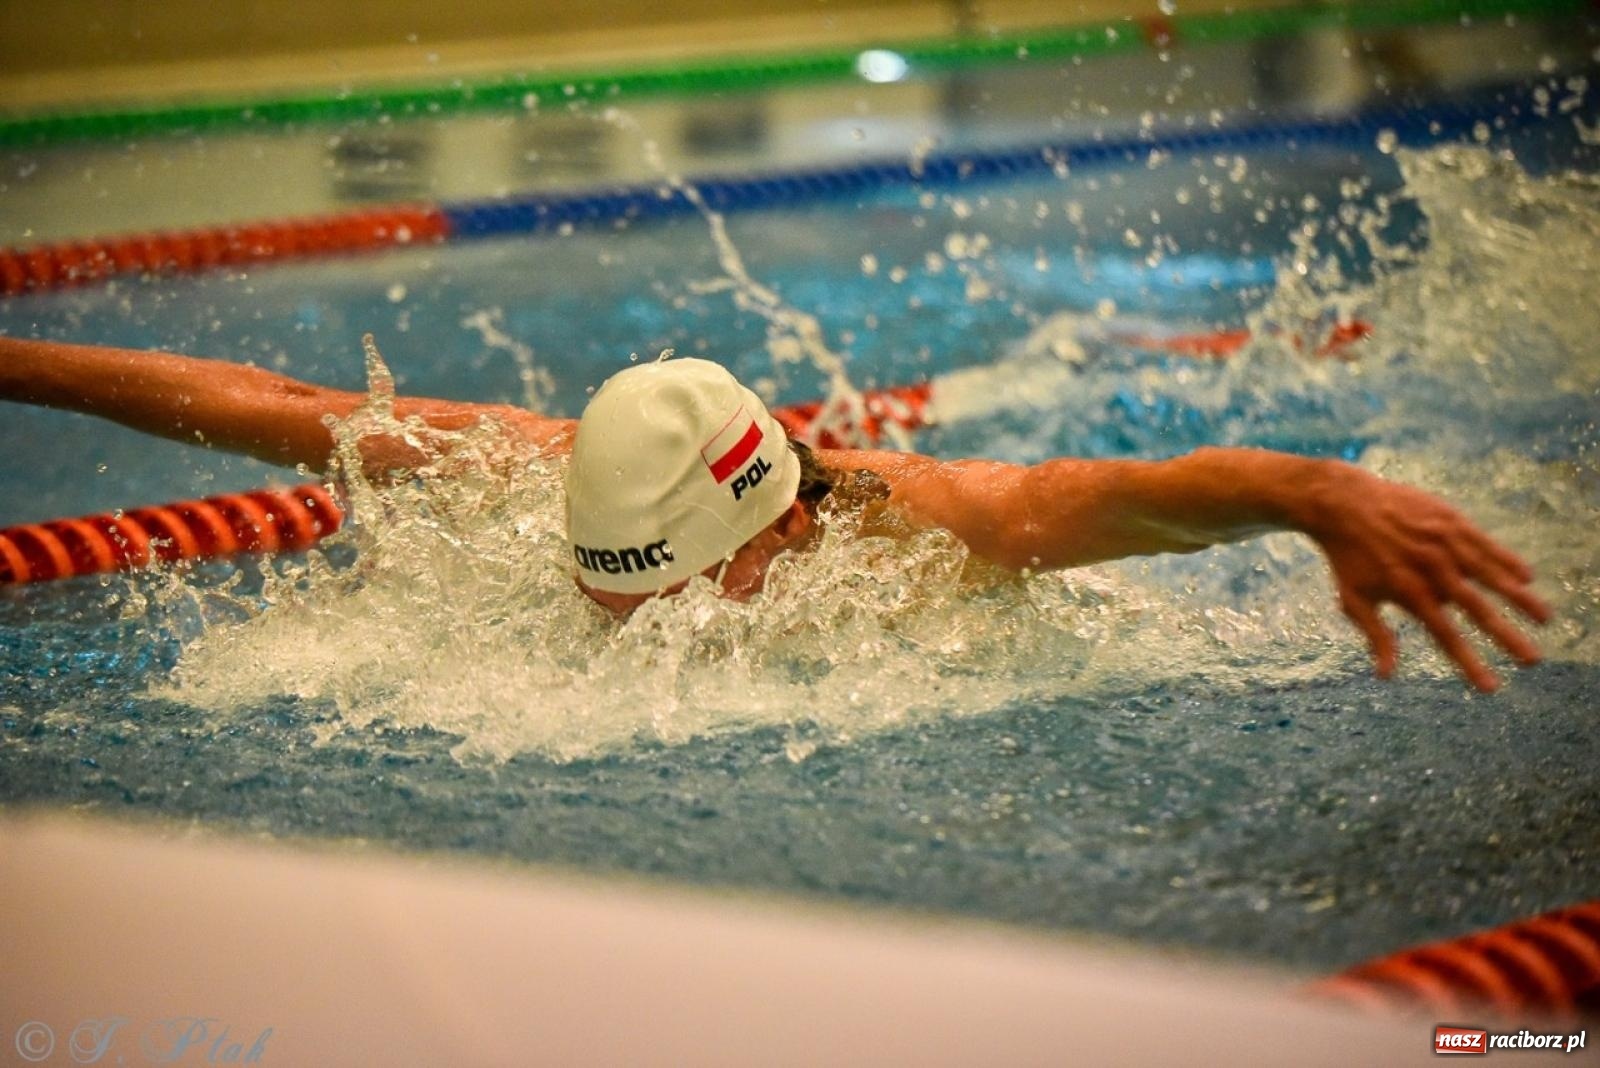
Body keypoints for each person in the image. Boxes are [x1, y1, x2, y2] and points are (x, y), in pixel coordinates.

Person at [0, 334, 1550, 692]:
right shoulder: (548, 467)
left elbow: (1128, 496)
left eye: (670, 599)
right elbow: (268, 408)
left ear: (777, 530)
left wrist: (1322, 495)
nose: (650, 634)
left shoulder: (931, 525)